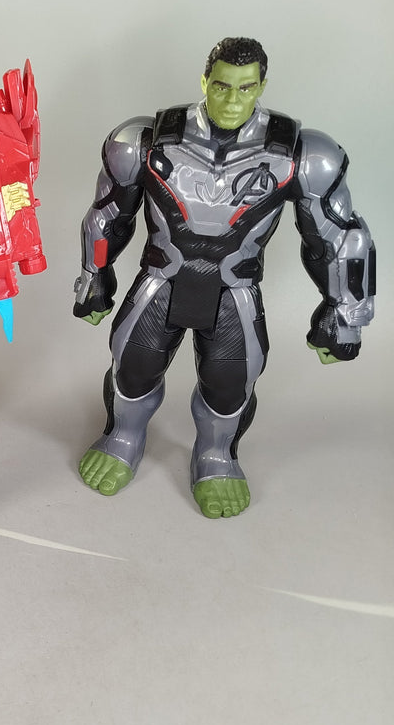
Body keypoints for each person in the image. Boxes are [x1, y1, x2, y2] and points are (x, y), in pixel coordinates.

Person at [73, 37, 375, 518]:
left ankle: (216, 455)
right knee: (132, 365)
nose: (233, 100)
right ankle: (124, 435)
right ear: (205, 80)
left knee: (230, 381)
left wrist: (344, 314)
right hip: (162, 278)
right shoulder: (144, 141)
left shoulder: (302, 154)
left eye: (245, 88)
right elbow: (109, 214)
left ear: (261, 86)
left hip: (234, 289)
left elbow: (338, 237)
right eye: (222, 86)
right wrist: (94, 275)